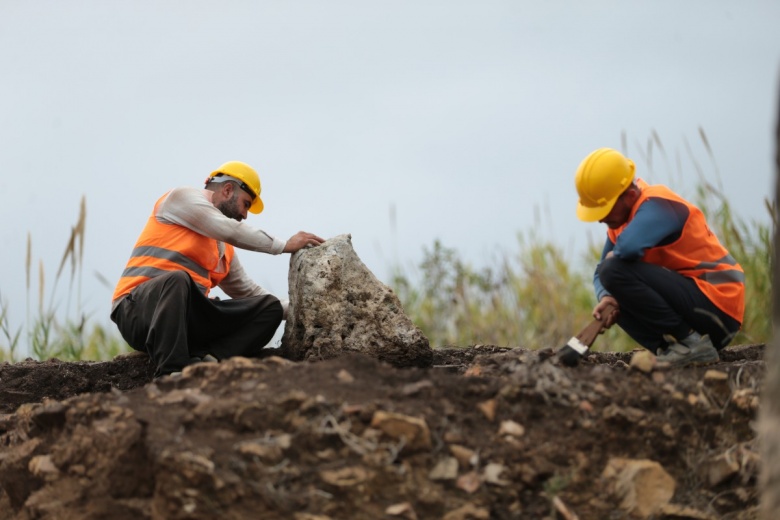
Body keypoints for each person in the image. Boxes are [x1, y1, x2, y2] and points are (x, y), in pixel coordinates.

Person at [110, 160, 324, 378]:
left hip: (184, 325)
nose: (245, 215)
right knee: (177, 280)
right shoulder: (180, 198)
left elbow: (247, 291)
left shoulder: (223, 246)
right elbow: (228, 228)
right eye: (246, 204)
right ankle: (171, 372)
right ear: (228, 189)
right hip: (136, 311)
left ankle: (209, 361)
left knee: (270, 307)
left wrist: (297, 309)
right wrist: (284, 245)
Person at [574, 148, 745, 367]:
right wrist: (607, 297)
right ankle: (673, 348)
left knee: (614, 270)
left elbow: (626, 250)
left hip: (719, 305)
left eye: (604, 210)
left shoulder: (659, 204)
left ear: (630, 195)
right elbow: (600, 273)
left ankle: (692, 344)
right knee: (614, 284)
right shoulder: (620, 222)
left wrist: (613, 267)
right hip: (693, 307)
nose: (600, 220)